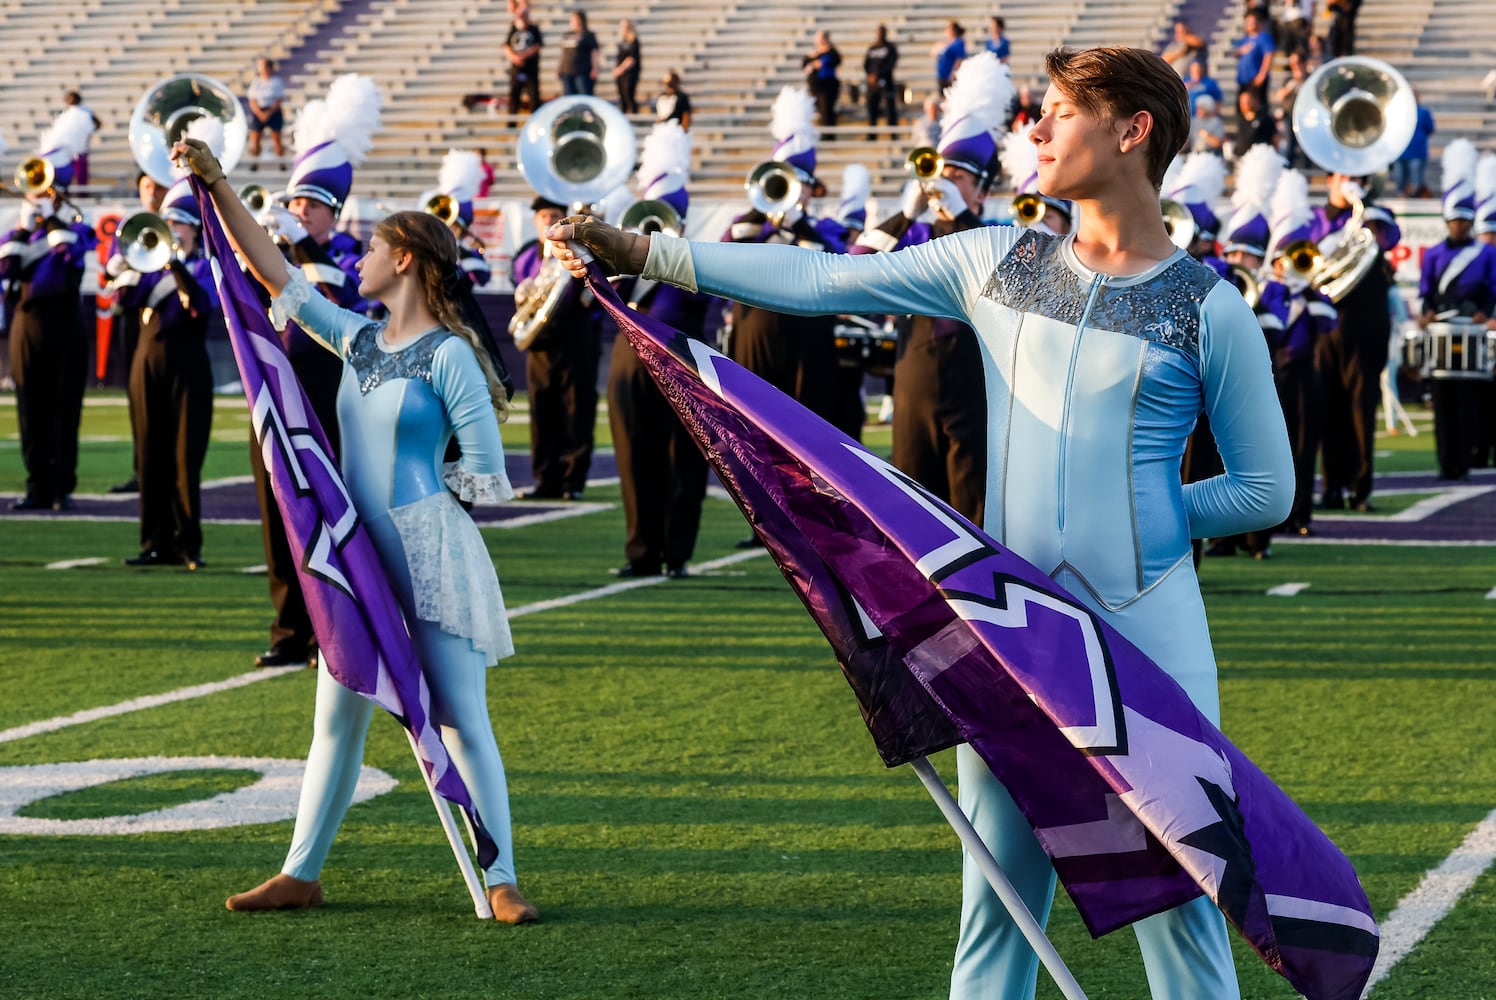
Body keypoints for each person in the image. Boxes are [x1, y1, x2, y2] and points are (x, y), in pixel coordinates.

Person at [547, 46, 1292, 999]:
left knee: (1185, 912)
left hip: (1154, 636)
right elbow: (821, 282)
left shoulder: (1211, 307)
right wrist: (650, 253)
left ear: (1130, 130)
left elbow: (1266, 489)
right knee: (998, 904)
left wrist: (1151, 514)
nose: (1035, 129)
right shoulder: (991, 261)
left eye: (1059, 111)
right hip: (1016, 633)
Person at [174, 137, 537, 924]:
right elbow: (275, 271)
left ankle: (502, 875)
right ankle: (300, 871)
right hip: (358, 557)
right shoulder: (358, 339)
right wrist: (217, 183)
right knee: (336, 715)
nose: (360, 256)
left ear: (405, 261)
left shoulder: (452, 358)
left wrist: (422, 506)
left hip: (431, 553)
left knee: (459, 717)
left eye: (373, 247)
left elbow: (488, 473)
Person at [248, 75, 380, 670]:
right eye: (294, 202)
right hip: (276, 396)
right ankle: (288, 632)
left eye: (309, 206)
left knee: (331, 515)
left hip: (328, 400)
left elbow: (334, 299)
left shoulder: (351, 254)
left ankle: (340, 628)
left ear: (332, 212)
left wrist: (303, 248)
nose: (296, 212)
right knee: (278, 518)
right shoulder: (278, 255)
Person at [850, 52, 1014, 524]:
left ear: (981, 191)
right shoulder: (916, 236)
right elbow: (858, 264)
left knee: (975, 508)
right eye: (943, 176)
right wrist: (908, 211)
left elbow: (1000, 274)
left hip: (977, 386)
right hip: (915, 380)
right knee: (914, 511)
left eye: (959, 178)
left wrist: (961, 212)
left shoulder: (993, 235)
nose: (947, 185)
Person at [608, 122, 715, 578]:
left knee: (682, 460)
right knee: (634, 458)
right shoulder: (623, 263)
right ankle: (642, 553)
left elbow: (701, 297)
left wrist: (666, 256)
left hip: (679, 363)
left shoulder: (694, 257)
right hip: (629, 363)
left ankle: (677, 553)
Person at [108, 178, 216, 569]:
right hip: (147, 360)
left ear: (192, 228)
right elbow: (122, 301)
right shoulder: (146, 268)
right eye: (166, 221)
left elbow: (201, 305)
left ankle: (189, 544)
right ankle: (155, 542)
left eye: (178, 222)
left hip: (189, 364)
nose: (170, 229)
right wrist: (128, 266)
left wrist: (175, 262)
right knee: (150, 454)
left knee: (185, 459)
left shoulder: (206, 266)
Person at [3, 121, 97, 512]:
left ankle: (62, 486)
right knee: (30, 408)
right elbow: (8, 269)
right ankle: (36, 485)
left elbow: (70, 257)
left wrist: (51, 220)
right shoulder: (19, 232)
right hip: (27, 325)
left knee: (63, 408)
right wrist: (26, 228)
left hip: (64, 324)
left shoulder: (78, 227)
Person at [1311, 172, 1396, 509]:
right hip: (1327, 325)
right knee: (1328, 407)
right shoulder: (1318, 218)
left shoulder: (1377, 214)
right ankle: (1332, 487)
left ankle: (1360, 489)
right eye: (1343, 176)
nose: (1349, 181)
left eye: (1357, 176)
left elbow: (1388, 238)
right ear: (1331, 180)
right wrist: (1337, 209)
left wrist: (1364, 204)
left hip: (1367, 325)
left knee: (1362, 408)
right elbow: (1310, 250)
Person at [511, 195, 601, 500]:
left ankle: (572, 482)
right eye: (544, 216)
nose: (549, 221)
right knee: (542, 413)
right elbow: (522, 288)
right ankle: (545, 480)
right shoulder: (526, 256)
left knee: (577, 411)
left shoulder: (580, 250)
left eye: (554, 215)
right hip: (540, 345)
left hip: (576, 340)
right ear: (536, 220)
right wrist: (522, 291)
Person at [1418, 140, 1496, 481]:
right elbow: (1426, 292)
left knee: (1467, 402)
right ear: (1447, 220)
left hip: (1471, 330)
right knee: (1442, 401)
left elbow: (1492, 289)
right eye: (1454, 220)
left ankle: (1464, 461)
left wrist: (1484, 312)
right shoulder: (1433, 254)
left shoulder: (1485, 254)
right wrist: (1426, 313)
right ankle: (1444, 461)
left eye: (1465, 221)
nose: (1460, 226)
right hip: (1441, 334)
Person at [1389, 91, 1436, 198]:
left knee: (1416, 179)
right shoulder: (1397, 112)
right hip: (1400, 151)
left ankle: (1414, 195)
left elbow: (1430, 129)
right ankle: (1401, 195)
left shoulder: (1424, 112)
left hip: (1417, 151)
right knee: (1399, 177)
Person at [245, 58, 287, 170]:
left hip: (273, 110)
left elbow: (279, 99)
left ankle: (281, 162)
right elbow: (252, 100)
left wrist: (269, 112)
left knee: (277, 137)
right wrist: (259, 113)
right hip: (259, 110)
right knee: (256, 138)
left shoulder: (276, 82)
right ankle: (255, 162)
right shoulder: (256, 82)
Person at [504, 5, 543, 115]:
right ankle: (512, 123)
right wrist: (514, 57)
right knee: (514, 94)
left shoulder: (533, 29)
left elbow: (537, 46)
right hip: (517, 69)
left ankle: (535, 118)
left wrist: (524, 56)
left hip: (530, 69)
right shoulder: (513, 28)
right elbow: (506, 46)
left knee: (533, 95)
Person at [863, 25, 900, 135]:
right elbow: (866, 64)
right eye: (878, 32)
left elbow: (891, 64)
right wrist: (870, 75)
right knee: (871, 108)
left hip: (886, 82)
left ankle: (893, 134)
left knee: (889, 108)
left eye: (882, 32)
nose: (880, 34)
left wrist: (878, 75)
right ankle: (872, 135)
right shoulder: (872, 48)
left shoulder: (890, 48)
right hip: (873, 85)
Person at [802, 31, 842, 132]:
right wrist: (812, 62)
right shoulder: (814, 52)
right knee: (819, 112)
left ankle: (829, 136)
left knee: (827, 111)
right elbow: (804, 64)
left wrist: (819, 62)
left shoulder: (831, 52)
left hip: (827, 87)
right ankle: (823, 134)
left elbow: (835, 61)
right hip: (815, 87)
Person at [1234, 10, 1275, 104]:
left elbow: (1268, 55)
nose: (1249, 24)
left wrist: (1262, 75)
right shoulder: (1245, 39)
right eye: (1248, 22)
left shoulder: (1264, 37)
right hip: (1244, 79)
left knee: (1257, 104)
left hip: (1255, 79)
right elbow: (1236, 53)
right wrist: (1240, 51)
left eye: (1252, 21)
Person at [61, 91, 100, 187]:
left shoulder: (85, 111)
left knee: (81, 173)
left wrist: (86, 133)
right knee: (67, 172)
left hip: (81, 147)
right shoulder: (67, 112)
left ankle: (82, 194)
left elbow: (97, 123)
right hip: (68, 148)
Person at [558, 9, 600, 97]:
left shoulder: (588, 35)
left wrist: (595, 68)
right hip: (567, 72)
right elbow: (563, 53)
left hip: (582, 72)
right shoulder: (567, 35)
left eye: (575, 19)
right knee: (569, 98)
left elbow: (595, 52)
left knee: (584, 97)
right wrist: (560, 67)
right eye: (571, 20)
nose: (572, 22)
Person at [1230, 89, 1276, 160]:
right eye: (1242, 102)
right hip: (1241, 159)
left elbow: (1275, 139)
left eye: (1247, 101)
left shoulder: (1264, 119)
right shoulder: (1241, 118)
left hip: (1258, 160)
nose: (1244, 104)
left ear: (1255, 101)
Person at [613, 19, 641, 114]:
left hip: (630, 73)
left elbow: (631, 59)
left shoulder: (634, 41)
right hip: (621, 74)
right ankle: (624, 115)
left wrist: (621, 68)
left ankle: (634, 115)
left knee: (628, 95)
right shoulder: (622, 41)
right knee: (622, 97)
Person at [933, 20, 966, 91]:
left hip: (950, 76)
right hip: (942, 76)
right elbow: (934, 53)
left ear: (954, 30)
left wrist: (953, 73)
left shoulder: (959, 42)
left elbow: (959, 59)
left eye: (948, 28)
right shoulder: (946, 43)